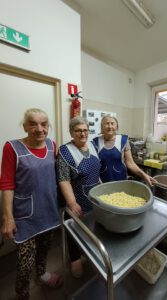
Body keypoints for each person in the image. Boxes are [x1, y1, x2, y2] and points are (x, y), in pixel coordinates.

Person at [0, 108, 63, 300]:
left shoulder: (53, 146)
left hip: (49, 209)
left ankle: (42, 274)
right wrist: (8, 217)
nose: (39, 128)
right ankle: (22, 293)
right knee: (24, 261)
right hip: (25, 215)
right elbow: (7, 183)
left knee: (44, 249)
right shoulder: (12, 148)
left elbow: (60, 176)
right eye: (33, 124)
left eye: (44, 124)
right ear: (25, 126)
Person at [56, 116, 101, 278]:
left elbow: (96, 171)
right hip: (77, 200)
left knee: (91, 229)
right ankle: (75, 259)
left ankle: (88, 254)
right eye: (78, 131)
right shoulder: (65, 151)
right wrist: (72, 203)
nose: (82, 134)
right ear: (71, 133)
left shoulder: (92, 145)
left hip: (95, 198)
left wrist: (102, 189)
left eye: (85, 130)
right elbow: (63, 180)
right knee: (74, 231)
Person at [93, 115, 156, 186]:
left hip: (121, 180)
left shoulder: (123, 140)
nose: (110, 126)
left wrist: (144, 175)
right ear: (102, 126)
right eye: (107, 123)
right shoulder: (95, 142)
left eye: (112, 123)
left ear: (116, 126)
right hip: (102, 182)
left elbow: (130, 164)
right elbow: (94, 167)